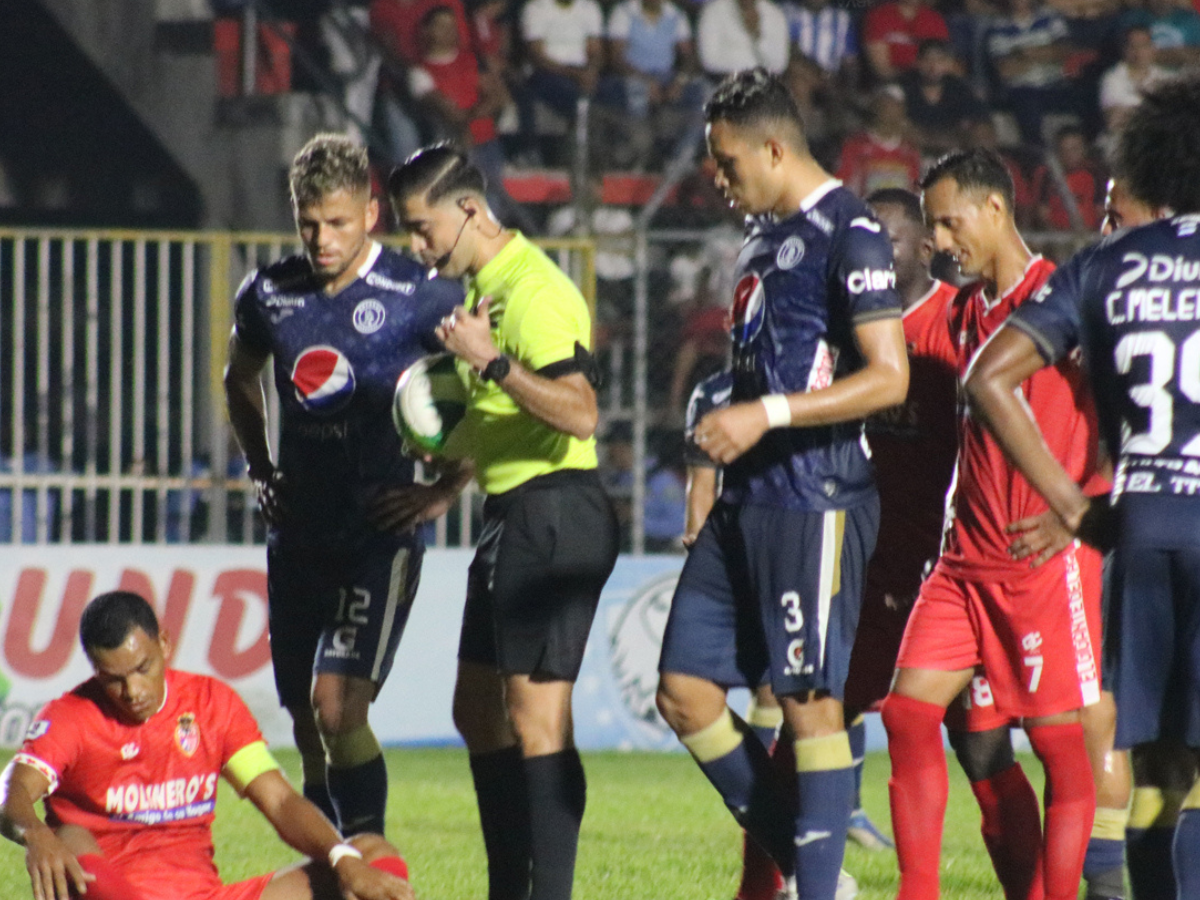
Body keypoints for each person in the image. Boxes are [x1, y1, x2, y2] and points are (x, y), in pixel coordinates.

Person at [654, 68, 909, 900]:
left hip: (817, 497)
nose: (718, 180)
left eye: (727, 164)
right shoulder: (761, 241)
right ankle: (817, 877)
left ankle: (816, 887)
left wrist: (762, 415)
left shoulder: (852, 231)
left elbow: (889, 378)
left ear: (773, 146)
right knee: (684, 693)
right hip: (745, 503)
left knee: (807, 704)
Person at [964, 75, 1200, 900]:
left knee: (1156, 774)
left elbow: (988, 377)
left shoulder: (1107, 261)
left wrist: (1073, 508)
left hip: (1137, 528)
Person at [388, 144, 620, 900]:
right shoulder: (482, 293)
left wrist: (490, 363)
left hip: (555, 514)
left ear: (467, 210)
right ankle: (507, 889)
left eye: (422, 230)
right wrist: (448, 486)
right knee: (478, 710)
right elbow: (500, 418)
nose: (418, 250)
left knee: (536, 722)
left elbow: (581, 414)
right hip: (510, 512)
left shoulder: (535, 292)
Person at [223, 134, 466, 841]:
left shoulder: (419, 296)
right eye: (308, 222)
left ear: (370, 210)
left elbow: (493, 392)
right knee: (304, 713)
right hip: (297, 531)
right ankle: (333, 863)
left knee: (338, 708)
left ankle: (369, 860)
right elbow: (239, 378)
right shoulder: (270, 293)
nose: (321, 239)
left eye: (336, 222)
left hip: (378, 534)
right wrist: (261, 467)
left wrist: (444, 490)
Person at [880, 148, 1107, 900]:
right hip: (962, 564)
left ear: (996, 210)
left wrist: (1080, 510)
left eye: (949, 221)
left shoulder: (1062, 301)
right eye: (932, 225)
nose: (940, 240)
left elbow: (1124, 420)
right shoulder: (964, 310)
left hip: (1039, 566)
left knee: (1057, 750)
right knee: (909, 714)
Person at [0, 590, 413, 900]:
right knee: (70, 835)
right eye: (113, 679)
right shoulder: (70, 716)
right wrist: (36, 835)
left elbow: (282, 802)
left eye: (143, 668)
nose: (133, 690)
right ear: (94, 669)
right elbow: (12, 793)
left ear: (164, 644)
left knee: (371, 852)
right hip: (116, 889)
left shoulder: (211, 705)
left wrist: (343, 862)